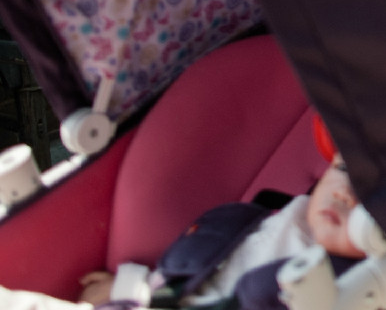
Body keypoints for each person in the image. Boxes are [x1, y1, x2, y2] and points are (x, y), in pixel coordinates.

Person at [8, 122, 366, 309]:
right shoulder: (267, 218)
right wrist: (128, 288)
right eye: (345, 171)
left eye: (370, 204)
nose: (345, 196)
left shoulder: (368, 283)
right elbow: (190, 280)